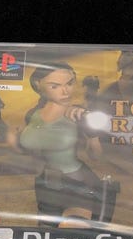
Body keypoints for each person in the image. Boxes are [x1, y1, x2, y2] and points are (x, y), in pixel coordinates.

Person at [10, 62, 116, 228]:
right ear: (38, 85)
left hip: (78, 183)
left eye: (69, 83)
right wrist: (12, 137)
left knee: (72, 234)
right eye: (55, 86)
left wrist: (92, 132)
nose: (65, 91)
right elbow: (28, 150)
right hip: (46, 184)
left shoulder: (78, 114)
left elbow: (96, 155)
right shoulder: (33, 114)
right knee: (46, 233)